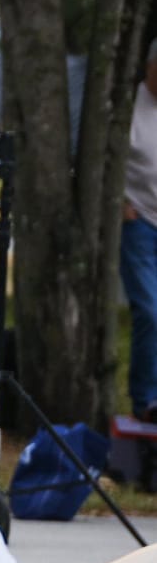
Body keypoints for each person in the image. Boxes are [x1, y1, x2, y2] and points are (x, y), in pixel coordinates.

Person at [124, 43, 157, 421]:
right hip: (140, 221)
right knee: (149, 310)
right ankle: (145, 399)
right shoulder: (130, 105)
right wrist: (120, 203)